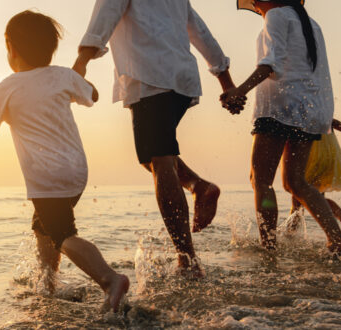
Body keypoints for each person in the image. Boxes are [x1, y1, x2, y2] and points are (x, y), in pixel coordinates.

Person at [72, 0, 243, 278]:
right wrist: (226, 81)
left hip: (150, 77)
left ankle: (188, 261)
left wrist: (80, 62)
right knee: (150, 158)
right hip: (179, 81)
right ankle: (199, 185)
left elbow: (105, 16)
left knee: (161, 162)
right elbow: (201, 32)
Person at [0, 10, 128, 312]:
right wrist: (76, 83)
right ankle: (48, 285)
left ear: (10, 47)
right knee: (43, 227)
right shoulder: (62, 76)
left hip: (47, 177)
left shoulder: (8, 86)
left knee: (62, 234)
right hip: (76, 172)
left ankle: (109, 279)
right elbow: (91, 94)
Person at [221, 0, 341, 255]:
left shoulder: (277, 16)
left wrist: (239, 91)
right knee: (296, 182)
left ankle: (268, 248)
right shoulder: (311, 24)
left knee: (261, 181)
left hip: (280, 108)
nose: (255, 8)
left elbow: (271, 64)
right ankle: (337, 239)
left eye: (256, 4)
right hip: (310, 110)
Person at [285, 119, 341, 240]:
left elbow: (331, 121)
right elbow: (331, 121)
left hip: (313, 153)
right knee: (312, 196)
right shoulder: (317, 106)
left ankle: (290, 234)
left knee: (300, 193)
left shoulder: (303, 107)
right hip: (325, 151)